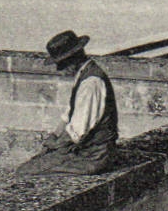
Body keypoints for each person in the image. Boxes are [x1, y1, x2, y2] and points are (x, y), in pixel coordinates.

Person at [15, 30, 118, 176]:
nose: (59, 70)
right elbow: (68, 116)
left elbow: (77, 131)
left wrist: (55, 146)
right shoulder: (83, 76)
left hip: (93, 156)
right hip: (84, 151)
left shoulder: (91, 83)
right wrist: (53, 137)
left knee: (25, 172)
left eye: (61, 64)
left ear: (73, 60)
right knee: (37, 161)